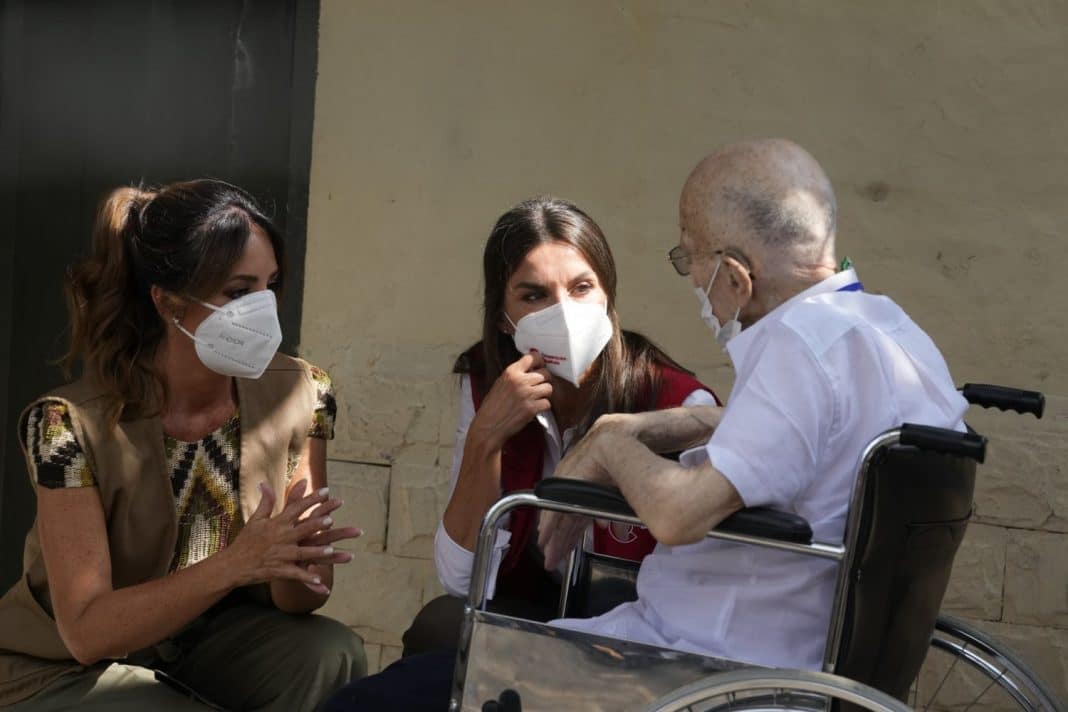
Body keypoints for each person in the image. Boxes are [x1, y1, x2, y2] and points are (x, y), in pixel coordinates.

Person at [539, 138, 969, 669]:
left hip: (704, 656)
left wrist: (608, 444)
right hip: (802, 652)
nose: (694, 280)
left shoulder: (800, 351)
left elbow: (677, 516)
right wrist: (674, 424)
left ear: (737, 276)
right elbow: (821, 438)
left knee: (431, 679)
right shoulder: (893, 332)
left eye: (689, 257)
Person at [0, 180, 367, 711]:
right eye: (239, 292)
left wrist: (297, 557)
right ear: (167, 301)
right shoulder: (66, 424)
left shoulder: (303, 393)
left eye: (270, 285)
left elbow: (301, 600)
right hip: (64, 668)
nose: (263, 309)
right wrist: (238, 563)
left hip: (202, 644)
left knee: (331, 651)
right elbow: (87, 632)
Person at [401, 196, 718, 657]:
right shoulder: (490, 386)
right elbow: (460, 579)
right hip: (535, 606)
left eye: (581, 287)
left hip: (641, 628)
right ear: (504, 320)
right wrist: (485, 439)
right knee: (440, 628)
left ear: (608, 294)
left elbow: (704, 584)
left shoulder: (677, 402)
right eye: (534, 295)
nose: (564, 312)